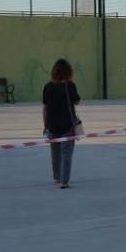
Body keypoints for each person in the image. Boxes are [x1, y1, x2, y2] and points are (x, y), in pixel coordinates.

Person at [42, 58, 81, 188]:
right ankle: (64, 181)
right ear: (69, 72)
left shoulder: (47, 87)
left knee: (55, 153)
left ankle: (57, 178)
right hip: (67, 125)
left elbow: (45, 109)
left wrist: (45, 126)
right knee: (67, 154)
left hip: (52, 126)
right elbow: (76, 101)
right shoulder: (70, 86)